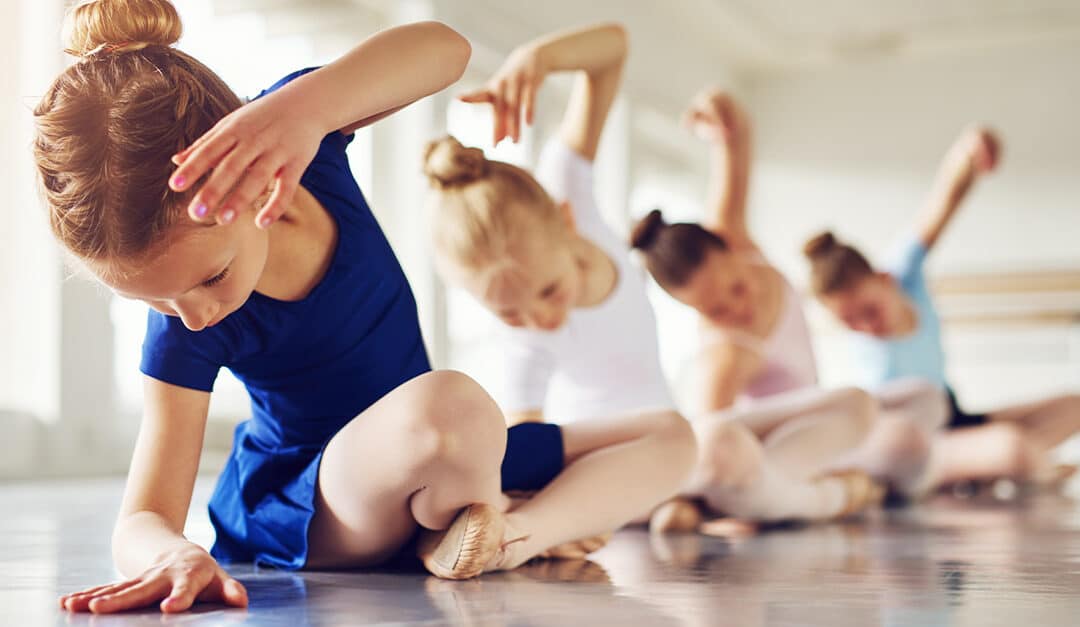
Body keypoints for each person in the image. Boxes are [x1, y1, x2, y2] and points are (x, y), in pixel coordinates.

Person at [43, 1, 645, 615]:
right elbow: (142, 515)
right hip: (317, 505)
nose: (192, 315)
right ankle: (497, 523)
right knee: (454, 405)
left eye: (210, 277)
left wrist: (305, 108)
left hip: (435, 453)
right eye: (148, 302)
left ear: (259, 175)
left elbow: (446, 50)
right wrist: (168, 552)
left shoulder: (307, 144)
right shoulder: (184, 330)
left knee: (666, 436)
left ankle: (498, 526)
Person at [422, 23, 697, 546]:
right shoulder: (525, 343)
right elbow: (528, 441)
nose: (539, 321)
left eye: (548, 291)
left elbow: (614, 49)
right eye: (509, 314)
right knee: (693, 445)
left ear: (567, 221)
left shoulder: (568, 190)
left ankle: (669, 502)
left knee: (717, 438)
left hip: (665, 447)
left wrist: (539, 58)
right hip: (600, 463)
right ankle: (578, 519)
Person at [632, 89, 943, 530]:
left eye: (735, 289)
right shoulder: (726, 351)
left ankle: (781, 494)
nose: (736, 309)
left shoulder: (737, 236)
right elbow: (709, 440)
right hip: (779, 446)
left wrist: (719, 108)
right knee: (900, 438)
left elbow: (739, 137)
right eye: (713, 310)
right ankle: (797, 495)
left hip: (822, 426)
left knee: (926, 398)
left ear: (730, 247)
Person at [804, 126, 1080, 489]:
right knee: (1011, 447)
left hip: (955, 415)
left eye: (868, 311)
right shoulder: (874, 365)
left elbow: (942, 204)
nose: (866, 328)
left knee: (1073, 406)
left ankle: (993, 471)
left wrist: (969, 153)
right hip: (924, 442)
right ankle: (1026, 470)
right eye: (849, 323)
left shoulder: (906, 275)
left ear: (884, 280)